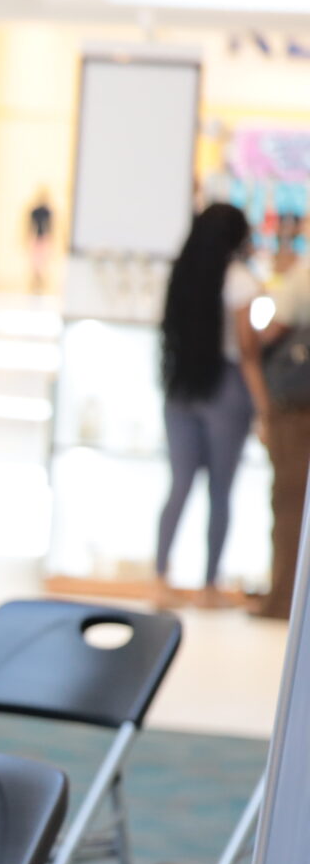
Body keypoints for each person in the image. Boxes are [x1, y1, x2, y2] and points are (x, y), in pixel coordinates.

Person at [157, 203, 264, 606]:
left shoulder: (181, 274)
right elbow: (248, 351)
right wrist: (265, 408)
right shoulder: (240, 280)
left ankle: (160, 578)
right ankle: (209, 586)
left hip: (181, 387)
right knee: (220, 490)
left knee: (179, 484)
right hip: (226, 390)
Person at [257, 226, 310, 621]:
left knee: (291, 503)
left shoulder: (302, 278)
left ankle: (283, 601)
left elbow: (272, 330)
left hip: (297, 408)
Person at [26, 188, 55, 293]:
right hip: (36, 237)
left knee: (43, 260)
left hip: (44, 238)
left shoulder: (47, 212)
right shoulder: (35, 211)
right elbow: (30, 225)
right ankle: (35, 279)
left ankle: (40, 280)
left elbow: (50, 226)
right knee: (35, 260)